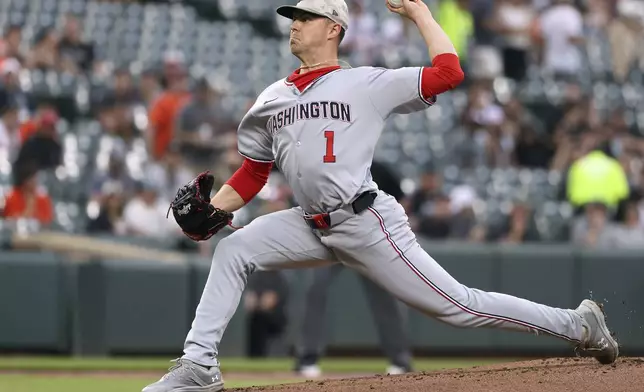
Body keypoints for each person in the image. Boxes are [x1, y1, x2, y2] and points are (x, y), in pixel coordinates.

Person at [142, 1, 618, 391]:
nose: (294, 25)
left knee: (462, 307)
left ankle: (578, 325)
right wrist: (214, 208)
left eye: (304, 18)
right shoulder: (272, 98)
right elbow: (252, 172)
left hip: (365, 222)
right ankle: (199, 366)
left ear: (333, 28)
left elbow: (448, 73)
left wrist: (421, 16)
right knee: (234, 248)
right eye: (293, 18)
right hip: (308, 224)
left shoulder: (366, 83)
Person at [293, 160, 413, 378]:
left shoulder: (379, 168)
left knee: (386, 297)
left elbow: (402, 201)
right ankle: (306, 357)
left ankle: (400, 359)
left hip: (370, 241)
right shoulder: (327, 165)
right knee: (315, 290)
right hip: (330, 238)